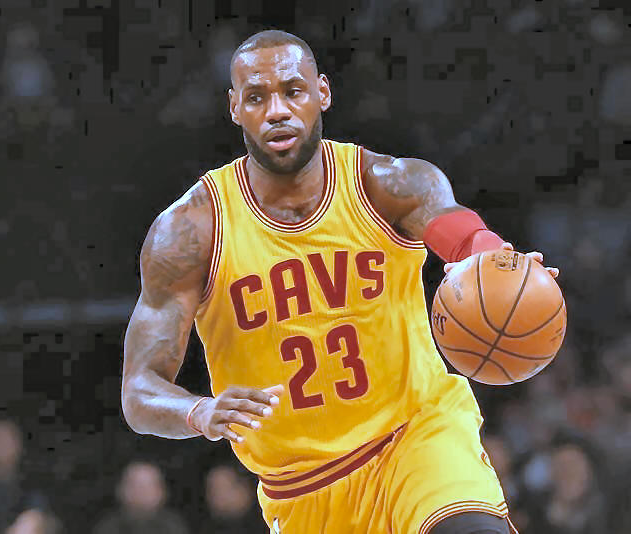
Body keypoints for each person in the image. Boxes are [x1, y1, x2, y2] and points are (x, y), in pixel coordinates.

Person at [121, 29, 559, 534]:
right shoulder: (190, 230)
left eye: (293, 91)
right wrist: (199, 411)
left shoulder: (386, 184)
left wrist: (499, 262)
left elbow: (463, 236)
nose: (278, 110)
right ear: (235, 108)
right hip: (302, 490)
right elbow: (139, 389)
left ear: (322, 92)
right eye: (257, 97)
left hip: (415, 439)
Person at [92, 461, 188, 534]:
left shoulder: (175, 527)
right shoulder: (106, 528)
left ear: (162, 492)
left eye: (148, 486)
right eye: (134, 485)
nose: (141, 492)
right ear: (120, 490)